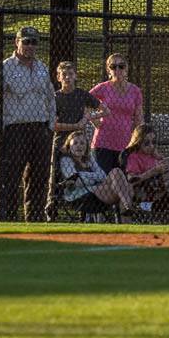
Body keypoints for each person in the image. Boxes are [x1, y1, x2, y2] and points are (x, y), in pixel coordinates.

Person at [0, 26, 56, 222]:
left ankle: (35, 218)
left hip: (40, 128)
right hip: (16, 128)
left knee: (39, 176)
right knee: (11, 176)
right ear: (17, 43)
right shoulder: (5, 67)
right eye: (26, 42)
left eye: (34, 42)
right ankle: (8, 218)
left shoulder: (42, 67)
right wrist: (3, 121)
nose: (30, 46)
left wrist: (50, 123)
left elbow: (50, 97)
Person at [47, 60, 109, 221]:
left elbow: (105, 110)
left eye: (70, 74)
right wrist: (75, 125)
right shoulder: (56, 97)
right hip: (62, 145)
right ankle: (51, 207)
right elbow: (53, 125)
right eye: (64, 75)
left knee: (88, 171)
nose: (67, 77)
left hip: (80, 143)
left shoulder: (81, 94)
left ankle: (89, 208)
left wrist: (88, 117)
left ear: (75, 76)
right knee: (60, 178)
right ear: (58, 77)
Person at [121, 124, 169, 224]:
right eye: (146, 143)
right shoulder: (134, 157)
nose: (151, 145)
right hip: (149, 191)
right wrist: (153, 171)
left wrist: (164, 161)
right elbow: (131, 180)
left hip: (166, 187)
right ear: (138, 142)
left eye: (153, 142)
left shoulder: (154, 155)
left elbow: (167, 170)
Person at [57, 129, 133, 218]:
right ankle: (127, 206)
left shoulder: (89, 159)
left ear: (86, 147)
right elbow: (75, 180)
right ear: (69, 146)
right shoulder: (66, 160)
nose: (79, 146)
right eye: (75, 143)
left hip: (96, 191)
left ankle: (127, 207)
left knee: (116, 171)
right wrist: (93, 177)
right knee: (127, 189)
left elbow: (103, 176)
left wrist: (82, 174)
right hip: (77, 194)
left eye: (82, 143)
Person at [90, 52, 142, 173]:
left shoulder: (135, 91)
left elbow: (139, 119)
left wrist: (137, 142)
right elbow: (84, 101)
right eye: (113, 66)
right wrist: (94, 120)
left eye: (121, 66)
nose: (117, 69)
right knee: (104, 179)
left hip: (125, 142)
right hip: (103, 141)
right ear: (108, 70)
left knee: (122, 180)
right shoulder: (103, 88)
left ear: (127, 68)